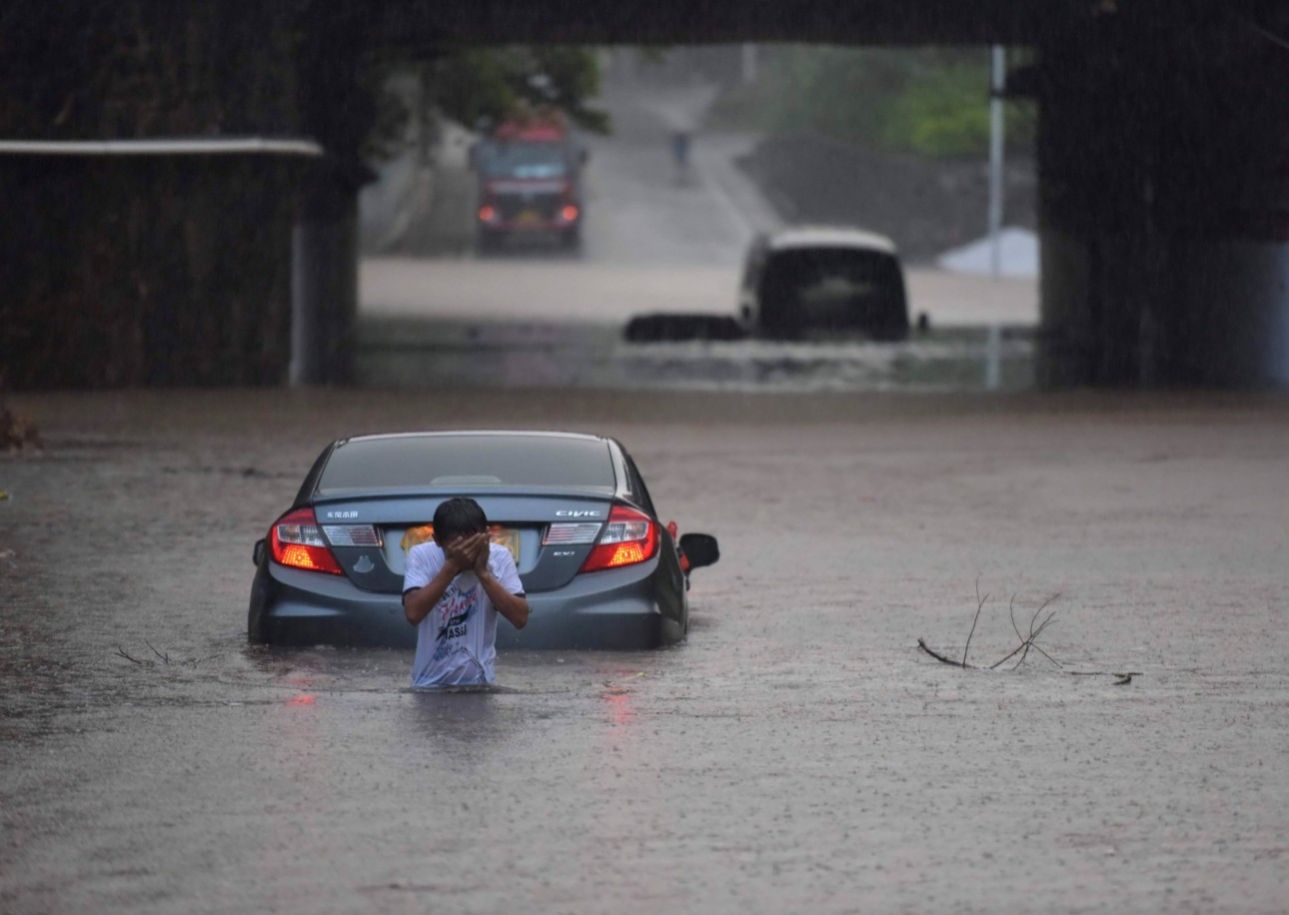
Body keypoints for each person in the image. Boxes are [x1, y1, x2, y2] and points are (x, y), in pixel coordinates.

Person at [402, 498, 529, 688]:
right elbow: (413, 613)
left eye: (473, 545)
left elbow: (520, 618)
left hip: (480, 685)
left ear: (486, 536)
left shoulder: (500, 557)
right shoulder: (422, 556)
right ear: (437, 540)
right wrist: (452, 566)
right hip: (428, 686)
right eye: (458, 550)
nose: (467, 555)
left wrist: (483, 574)